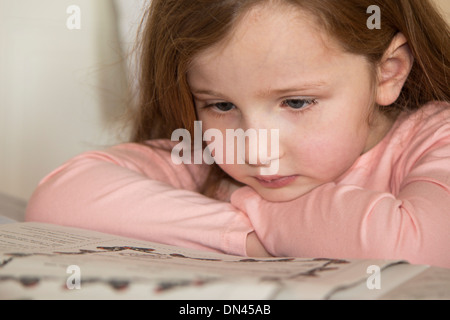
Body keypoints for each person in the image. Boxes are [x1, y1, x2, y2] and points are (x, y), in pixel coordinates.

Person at [26, 0, 450, 268]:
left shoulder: (435, 137)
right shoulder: (206, 155)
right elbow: (59, 198)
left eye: (297, 102)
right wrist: (248, 239)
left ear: (387, 71)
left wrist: (253, 207)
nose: (255, 151)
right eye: (221, 105)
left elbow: (418, 248)